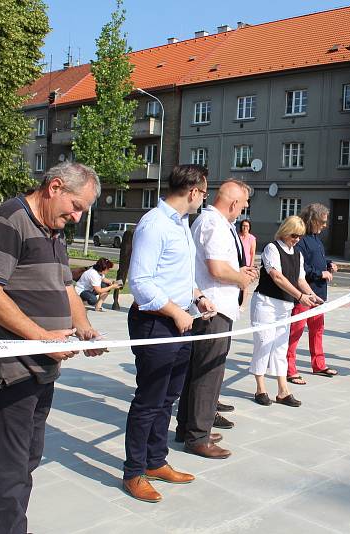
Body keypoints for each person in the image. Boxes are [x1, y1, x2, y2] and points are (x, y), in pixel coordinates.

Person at [0, 161, 105, 533]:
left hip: (41, 367)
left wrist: (85, 329)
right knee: (7, 468)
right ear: (54, 186)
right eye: (76, 205)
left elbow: (66, 289)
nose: (77, 216)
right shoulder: (8, 220)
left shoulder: (53, 230)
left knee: (27, 458)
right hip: (8, 368)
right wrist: (40, 337)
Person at [123, 164, 216, 503]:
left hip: (181, 321)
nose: (203, 199)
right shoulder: (154, 224)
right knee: (148, 400)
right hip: (156, 323)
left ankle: (155, 460)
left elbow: (175, 276)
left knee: (168, 398)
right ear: (193, 192)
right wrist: (176, 311)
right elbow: (141, 282)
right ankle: (133, 471)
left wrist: (197, 296)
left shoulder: (180, 224)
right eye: (204, 193)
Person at [176, 180, 257, 459]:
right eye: (243, 205)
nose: (244, 210)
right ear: (234, 203)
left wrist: (238, 271)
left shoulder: (216, 222)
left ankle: (188, 427)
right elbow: (216, 268)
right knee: (209, 372)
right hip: (213, 310)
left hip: (213, 307)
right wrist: (241, 277)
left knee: (198, 370)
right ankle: (198, 435)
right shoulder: (213, 223)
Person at [250, 216, 323, 407]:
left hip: (284, 306)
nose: (297, 239)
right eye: (294, 235)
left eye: (300, 236)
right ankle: (261, 388)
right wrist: (300, 297)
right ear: (285, 231)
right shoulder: (271, 248)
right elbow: (277, 277)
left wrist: (312, 295)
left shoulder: (297, 253)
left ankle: (283, 391)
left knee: (281, 348)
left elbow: (300, 279)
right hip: (266, 303)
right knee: (264, 344)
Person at [285, 203, 338, 385]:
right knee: (296, 331)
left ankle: (319, 364)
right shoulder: (301, 239)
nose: (325, 225)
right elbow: (300, 267)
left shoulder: (316, 238)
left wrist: (328, 264)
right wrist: (319, 273)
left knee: (317, 331)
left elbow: (317, 259)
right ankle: (289, 368)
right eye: (322, 222)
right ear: (312, 220)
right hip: (304, 294)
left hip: (319, 293)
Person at [238, 218, 256, 309]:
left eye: (247, 226)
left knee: (245, 284)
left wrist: (251, 266)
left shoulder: (252, 238)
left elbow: (253, 253)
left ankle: (243, 304)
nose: (245, 227)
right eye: (243, 225)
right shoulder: (238, 236)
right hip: (238, 263)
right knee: (237, 283)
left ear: (249, 228)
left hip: (247, 264)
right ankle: (237, 301)